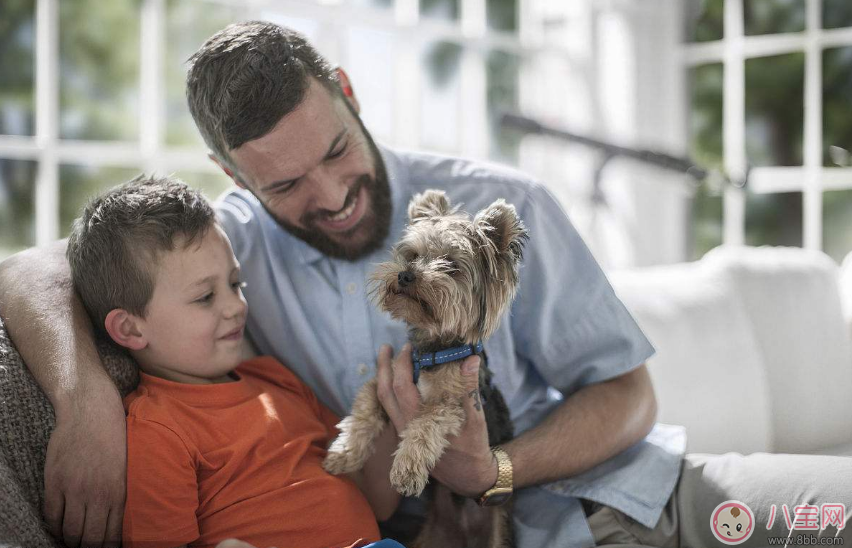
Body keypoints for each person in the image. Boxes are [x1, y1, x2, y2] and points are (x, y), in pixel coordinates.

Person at [0, 20, 850, 548]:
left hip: (647, 500)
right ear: (233, 175)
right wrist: (85, 400)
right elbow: (32, 269)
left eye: (336, 150)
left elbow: (629, 393)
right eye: (284, 184)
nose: (330, 196)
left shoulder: (503, 203)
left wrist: (497, 469)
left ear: (347, 94)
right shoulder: (229, 247)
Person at [64, 174, 422, 548]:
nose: (235, 306)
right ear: (130, 328)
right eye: (205, 297)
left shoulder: (274, 378)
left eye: (236, 284)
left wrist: (386, 407)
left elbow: (378, 502)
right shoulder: (160, 429)